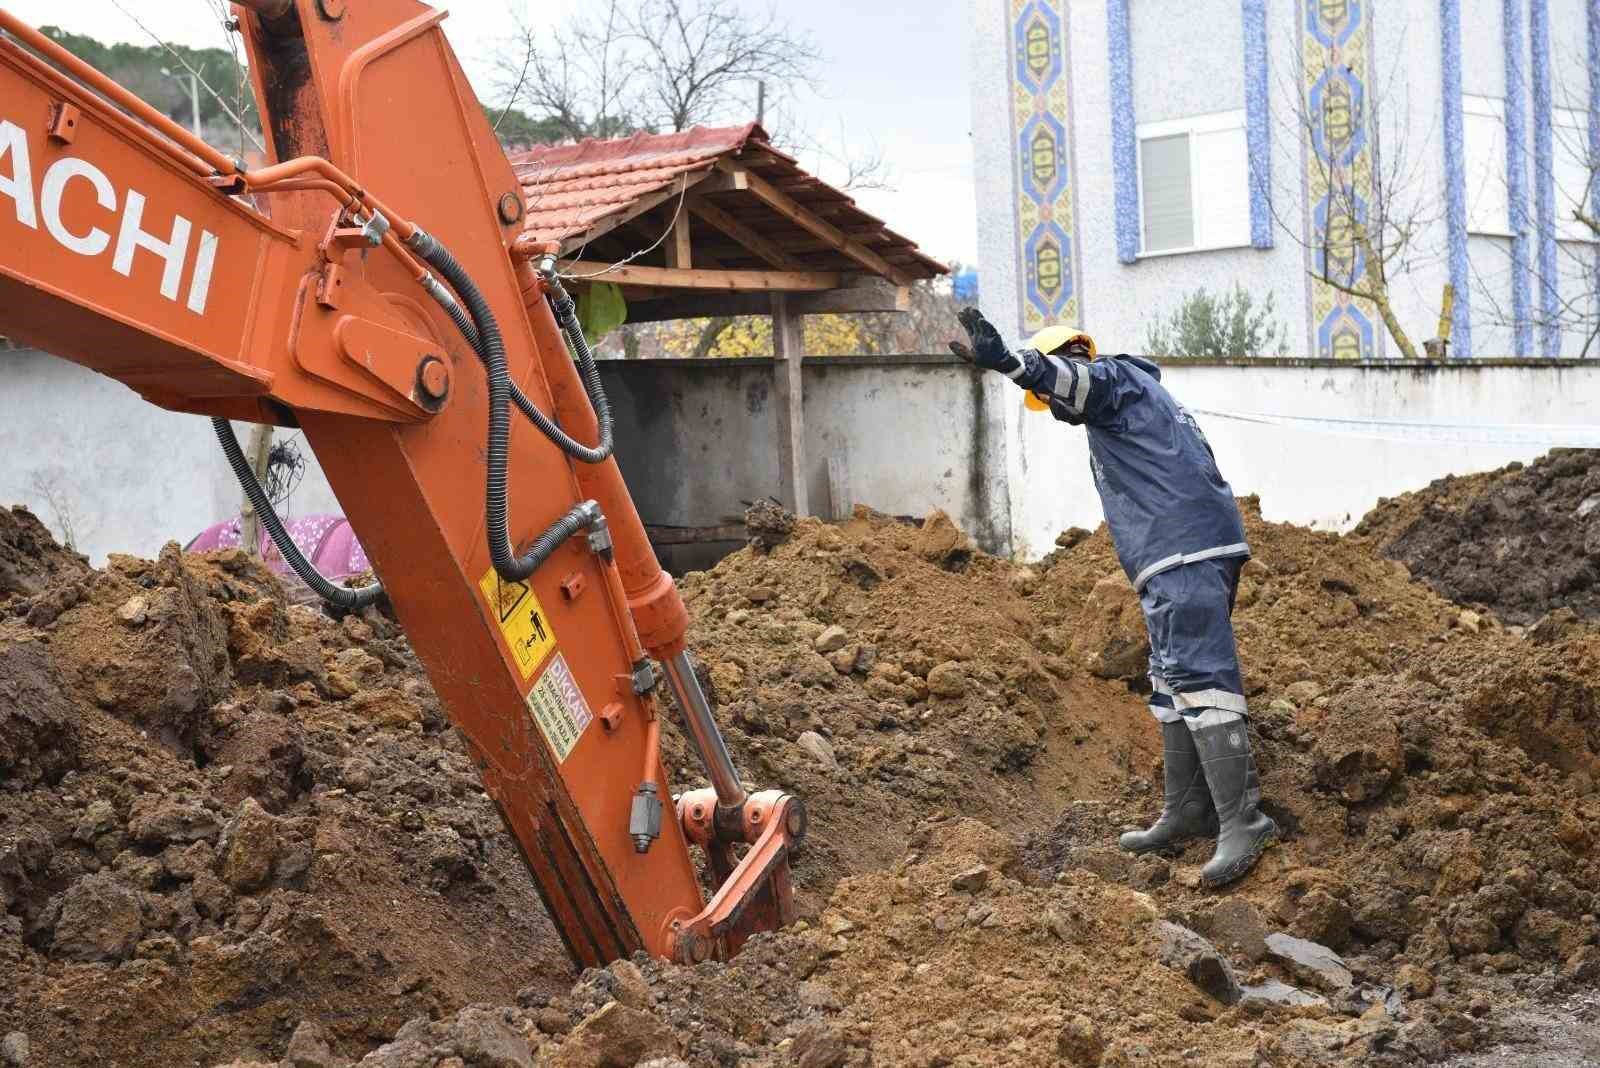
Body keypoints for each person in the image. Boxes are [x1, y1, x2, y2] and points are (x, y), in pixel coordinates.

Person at [949, 308, 1275, 887]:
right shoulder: (1133, 405)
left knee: (1199, 675)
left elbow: (1078, 381)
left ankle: (1243, 821)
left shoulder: (1114, 382)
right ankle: (1189, 810)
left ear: (1068, 359)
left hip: (1184, 550)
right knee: (1171, 677)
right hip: (1180, 552)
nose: (1053, 409)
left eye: (1050, 396)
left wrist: (1011, 364)